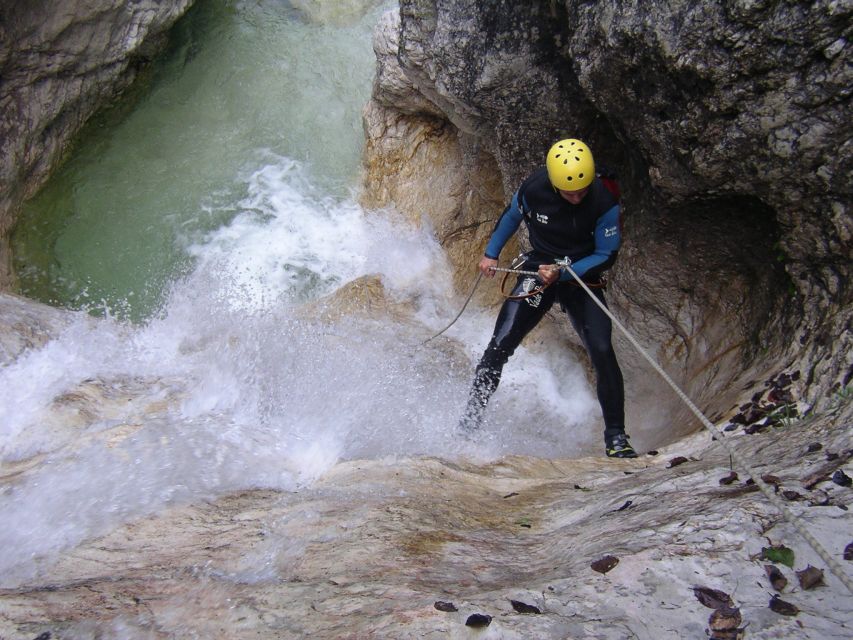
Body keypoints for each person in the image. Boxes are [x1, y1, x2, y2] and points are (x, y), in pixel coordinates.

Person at [458, 138, 638, 458]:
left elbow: (606, 254)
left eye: (582, 190)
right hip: (537, 269)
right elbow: (512, 216)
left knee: (601, 348)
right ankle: (468, 424)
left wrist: (565, 273)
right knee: (499, 345)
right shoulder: (535, 188)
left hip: (581, 277)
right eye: (571, 192)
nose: (577, 197)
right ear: (555, 185)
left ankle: (616, 436)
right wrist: (491, 253)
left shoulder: (603, 199)